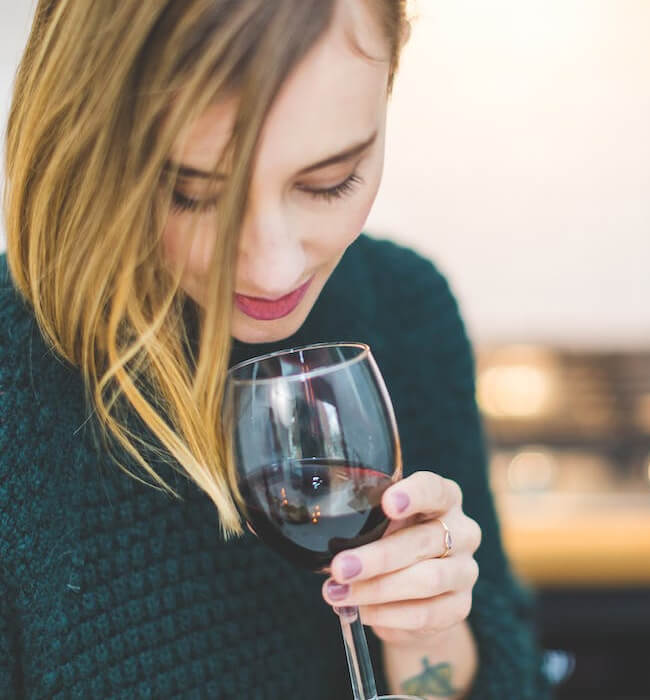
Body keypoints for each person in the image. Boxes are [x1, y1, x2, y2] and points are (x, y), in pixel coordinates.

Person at [0, 1, 550, 697]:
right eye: (191, 195)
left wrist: (428, 636)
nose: (271, 269)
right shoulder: (16, 377)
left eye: (329, 183)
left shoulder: (407, 311)